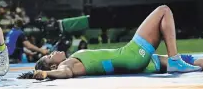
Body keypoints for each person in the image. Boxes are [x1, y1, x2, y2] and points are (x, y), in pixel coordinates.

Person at [23, 5, 202, 80]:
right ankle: (175, 59)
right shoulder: (67, 64)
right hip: (131, 55)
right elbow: (65, 73)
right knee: (163, 10)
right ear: (53, 67)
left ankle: (177, 60)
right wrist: (46, 75)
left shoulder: (72, 60)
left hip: (137, 63)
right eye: (50, 57)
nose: (53, 53)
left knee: (192, 60)